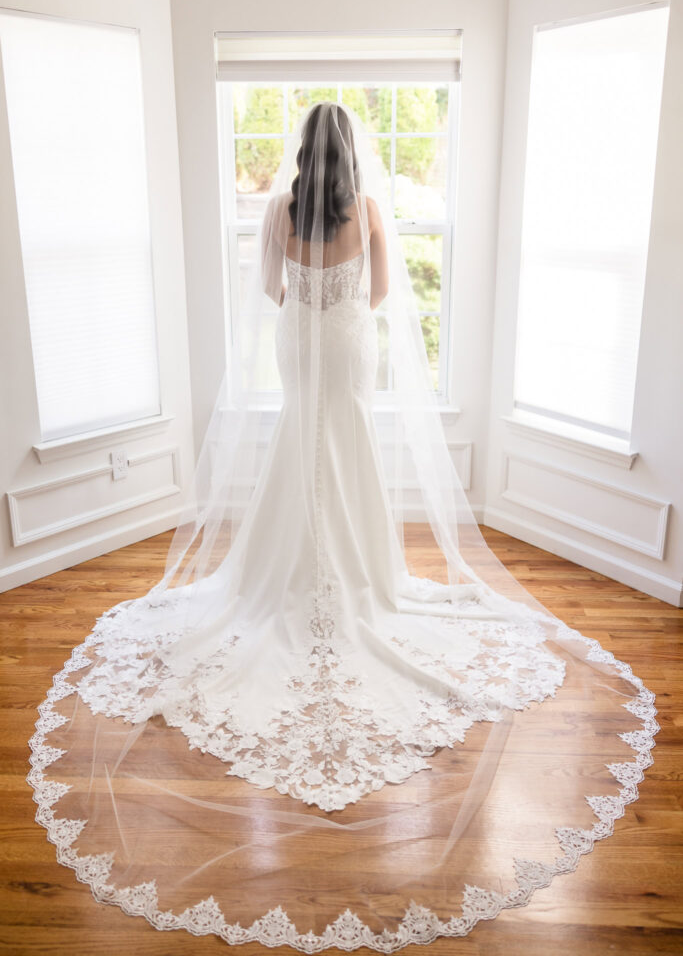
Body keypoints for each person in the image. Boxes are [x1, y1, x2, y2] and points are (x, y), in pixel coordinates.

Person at [28, 101, 658, 951]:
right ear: (351, 151)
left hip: (299, 340)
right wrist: (342, 295)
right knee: (348, 441)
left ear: (300, 151)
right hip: (347, 340)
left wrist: (303, 291)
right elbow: (385, 293)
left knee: (300, 435)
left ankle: (279, 577)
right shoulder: (366, 210)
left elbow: (268, 291)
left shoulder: (279, 210)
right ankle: (365, 580)